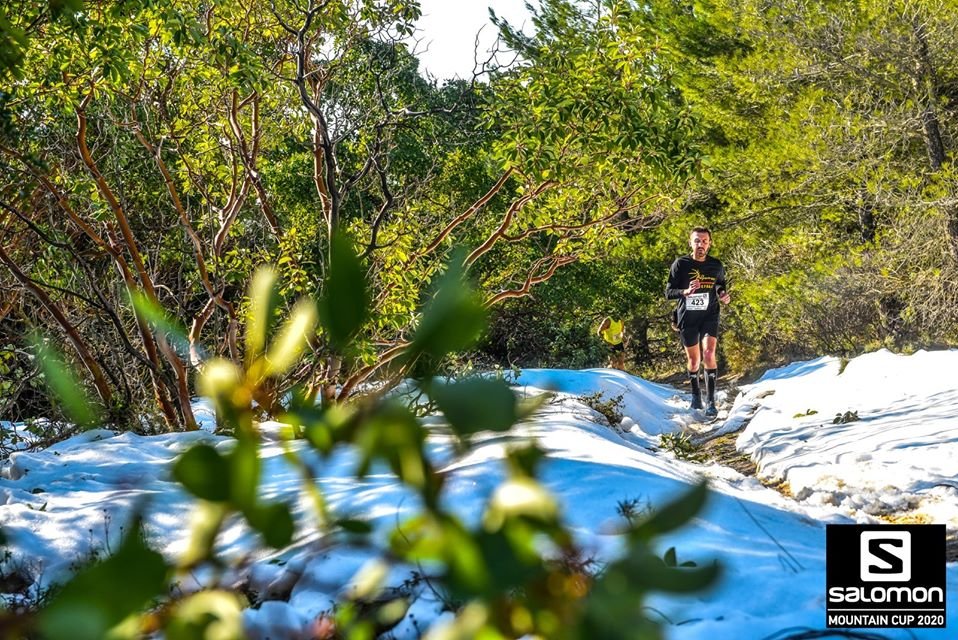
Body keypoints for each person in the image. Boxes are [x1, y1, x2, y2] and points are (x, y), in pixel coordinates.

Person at [665, 227, 731, 417]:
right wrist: (684, 292)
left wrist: (722, 294)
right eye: (696, 241)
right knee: (694, 361)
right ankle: (696, 395)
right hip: (688, 317)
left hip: (709, 315)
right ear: (690, 242)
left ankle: (711, 401)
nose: (700, 244)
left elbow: (720, 283)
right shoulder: (680, 264)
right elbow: (668, 292)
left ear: (709, 243)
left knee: (709, 353)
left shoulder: (716, 265)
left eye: (704, 241)